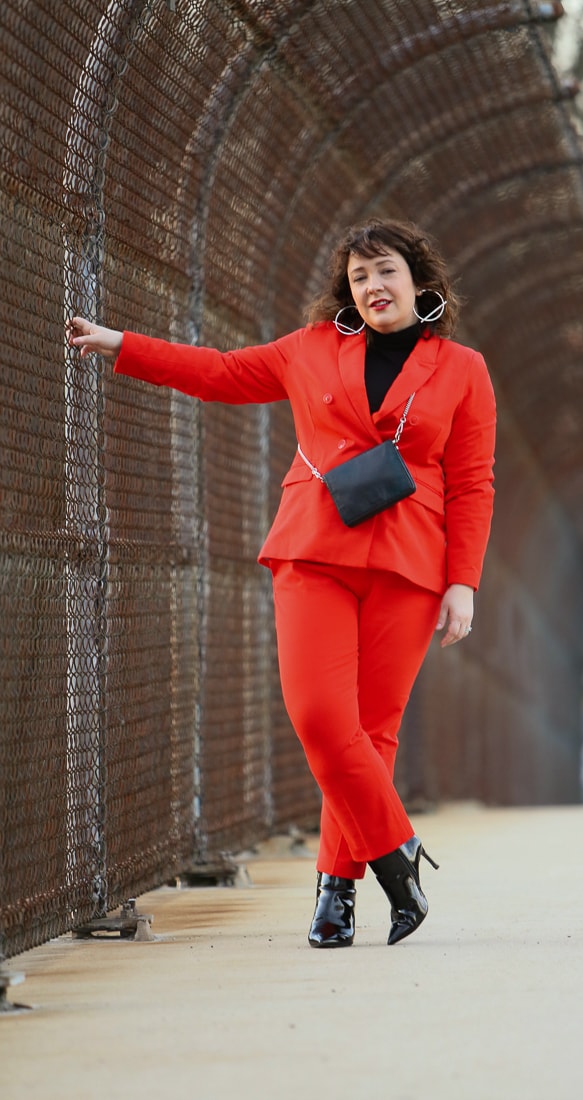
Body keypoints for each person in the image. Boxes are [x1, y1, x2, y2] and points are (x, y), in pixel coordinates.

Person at [67, 218, 497, 948]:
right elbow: (220, 372)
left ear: (419, 282)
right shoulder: (310, 350)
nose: (373, 287)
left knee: (370, 734)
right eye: (359, 278)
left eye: (385, 271)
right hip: (311, 551)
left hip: (408, 563)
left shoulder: (461, 367)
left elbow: (474, 482)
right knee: (321, 719)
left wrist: (464, 583)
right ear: (347, 293)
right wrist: (120, 344)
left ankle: (336, 893)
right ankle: (397, 856)